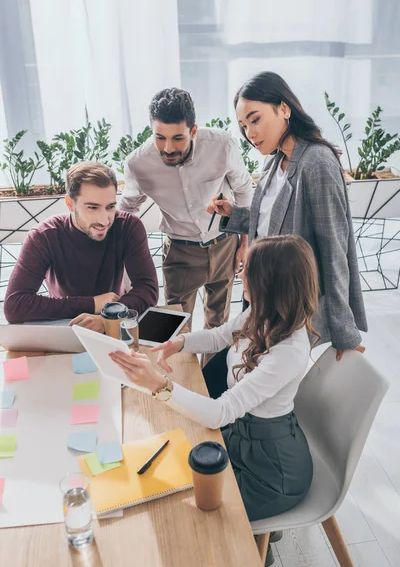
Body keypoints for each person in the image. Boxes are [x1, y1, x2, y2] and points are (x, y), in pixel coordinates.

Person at [110, 234, 317, 565]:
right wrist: (178, 344)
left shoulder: (289, 352)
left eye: (246, 269)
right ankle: (259, 539)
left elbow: (221, 413)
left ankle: (252, 551)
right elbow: (221, 335)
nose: (239, 273)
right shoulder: (261, 313)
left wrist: (158, 384)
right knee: (177, 475)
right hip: (243, 436)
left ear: (270, 282)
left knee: (193, 518)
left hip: (271, 468)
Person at [208, 71, 367, 359]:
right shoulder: (275, 162)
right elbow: (273, 223)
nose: (250, 134)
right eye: (243, 126)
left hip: (288, 305)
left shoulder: (316, 162)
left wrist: (345, 333)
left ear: (284, 108)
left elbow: (334, 250)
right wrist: (233, 214)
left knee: (242, 381)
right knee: (237, 374)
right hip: (259, 293)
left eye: (255, 119)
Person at [119, 88, 253, 344]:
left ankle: (213, 383)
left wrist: (245, 244)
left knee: (220, 325)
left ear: (193, 131)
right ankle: (178, 383)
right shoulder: (138, 163)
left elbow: (244, 190)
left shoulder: (222, 146)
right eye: (160, 138)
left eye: (177, 138)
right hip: (180, 253)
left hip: (224, 245)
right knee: (175, 329)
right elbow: (127, 210)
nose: (168, 148)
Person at [4, 161, 158, 330]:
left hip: (113, 321)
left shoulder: (128, 226)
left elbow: (147, 289)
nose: (104, 220)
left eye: (110, 207)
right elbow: (14, 306)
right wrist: (92, 304)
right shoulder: (43, 236)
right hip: (64, 325)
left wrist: (108, 318)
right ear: (70, 203)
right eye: (93, 207)